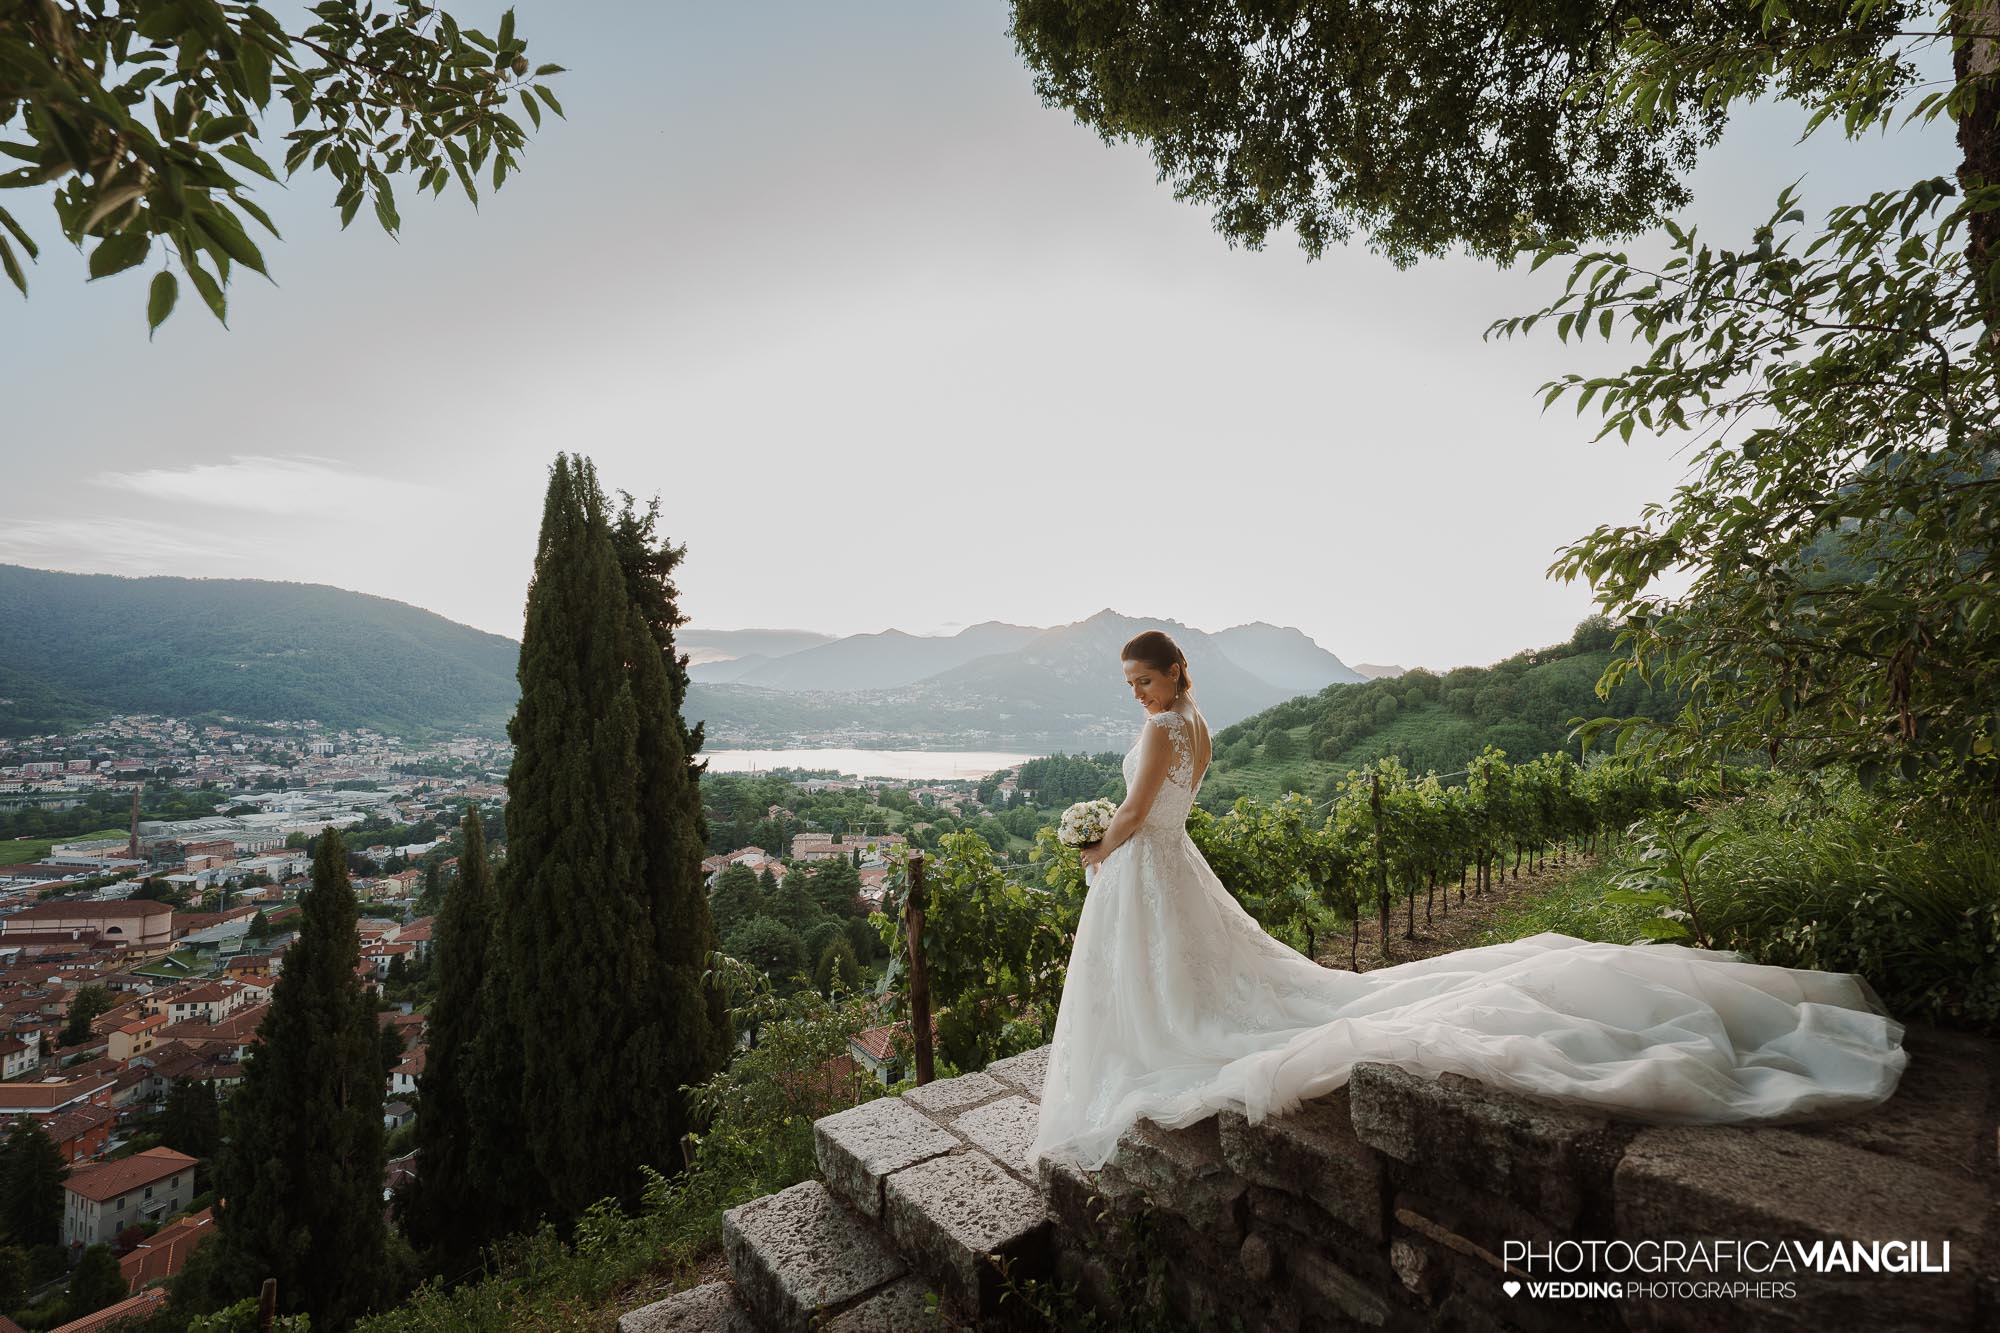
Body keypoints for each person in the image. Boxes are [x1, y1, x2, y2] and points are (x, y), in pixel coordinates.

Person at [1025, 629, 1908, 1174]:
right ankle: (1178, 1023)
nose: (1137, 694)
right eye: (1131, 686)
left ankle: (1164, 1037)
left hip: (1152, 864)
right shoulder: (1198, 726)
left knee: (1176, 982)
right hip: (1176, 864)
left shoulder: (1160, 728)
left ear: (1173, 671)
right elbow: (1174, 804)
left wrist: (1096, 845)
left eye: (1143, 679)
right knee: (1198, 969)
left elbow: (1137, 814)